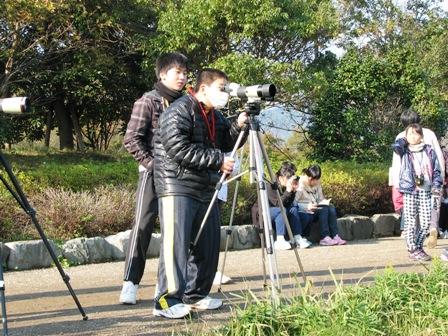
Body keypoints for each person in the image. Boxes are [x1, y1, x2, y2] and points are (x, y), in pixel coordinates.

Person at [152, 68, 248, 319]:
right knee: (176, 245)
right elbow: (178, 148)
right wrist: (218, 161)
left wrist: (239, 126)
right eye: (222, 89)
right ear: (203, 89)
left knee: (208, 244)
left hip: (206, 186)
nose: (225, 94)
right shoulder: (180, 110)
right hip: (177, 185)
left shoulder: (213, 114)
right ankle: (165, 301)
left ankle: (195, 295)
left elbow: (227, 142)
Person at [119, 52, 188, 305]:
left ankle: (175, 282)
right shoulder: (147, 101)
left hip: (180, 178)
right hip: (151, 174)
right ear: (162, 74)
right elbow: (131, 139)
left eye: (184, 72)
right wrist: (152, 164)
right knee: (143, 226)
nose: (182, 77)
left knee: (179, 229)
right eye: (177, 72)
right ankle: (130, 282)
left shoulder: (186, 103)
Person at [390, 109, 445, 247]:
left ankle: (415, 240)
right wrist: (441, 178)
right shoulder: (428, 133)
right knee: (432, 206)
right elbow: (439, 157)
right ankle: (433, 228)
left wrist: (396, 183)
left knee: (412, 212)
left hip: (410, 183)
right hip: (430, 179)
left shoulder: (402, 135)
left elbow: (397, 163)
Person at [263, 161, 312, 250]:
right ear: (281, 178)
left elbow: (289, 204)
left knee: (301, 214)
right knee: (282, 210)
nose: (290, 181)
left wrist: (293, 191)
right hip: (265, 212)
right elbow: (277, 204)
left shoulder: (285, 184)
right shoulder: (270, 184)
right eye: (288, 178)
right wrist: (288, 191)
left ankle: (296, 237)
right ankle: (279, 240)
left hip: (280, 212)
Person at [295, 164, 346, 246]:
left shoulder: (317, 183)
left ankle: (335, 235)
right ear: (309, 178)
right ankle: (324, 237)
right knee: (324, 209)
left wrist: (324, 201)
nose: (316, 182)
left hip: (315, 208)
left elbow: (320, 198)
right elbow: (294, 203)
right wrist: (307, 206)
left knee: (331, 207)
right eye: (314, 180)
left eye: (317, 180)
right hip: (306, 211)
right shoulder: (300, 185)